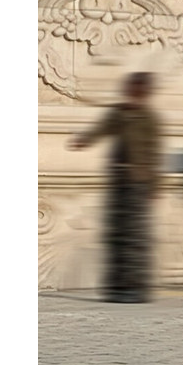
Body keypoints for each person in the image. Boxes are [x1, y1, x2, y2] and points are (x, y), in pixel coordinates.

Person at [68, 71, 163, 302]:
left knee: (135, 236)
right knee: (116, 233)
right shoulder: (119, 113)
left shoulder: (149, 118)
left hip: (138, 181)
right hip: (119, 179)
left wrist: (154, 185)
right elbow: (101, 129)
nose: (132, 93)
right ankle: (117, 286)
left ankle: (135, 287)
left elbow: (154, 153)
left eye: (137, 89)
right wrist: (83, 140)